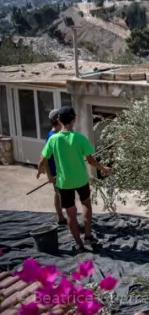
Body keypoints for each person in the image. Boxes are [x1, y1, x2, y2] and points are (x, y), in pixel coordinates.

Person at [37, 106, 110, 252]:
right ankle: (88, 237)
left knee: (70, 213)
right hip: (81, 180)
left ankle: (79, 244)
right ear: (73, 120)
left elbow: (42, 159)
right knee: (86, 205)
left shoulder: (53, 139)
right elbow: (91, 161)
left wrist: (41, 171)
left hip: (64, 183)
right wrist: (104, 168)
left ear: (59, 120)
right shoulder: (80, 138)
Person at [44, 109, 67, 225]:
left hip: (62, 171)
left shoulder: (59, 134)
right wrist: (49, 175)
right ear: (58, 120)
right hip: (56, 172)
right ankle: (61, 217)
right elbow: (45, 159)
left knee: (60, 194)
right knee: (60, 194)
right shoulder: (52, 137)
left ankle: (61, 217)